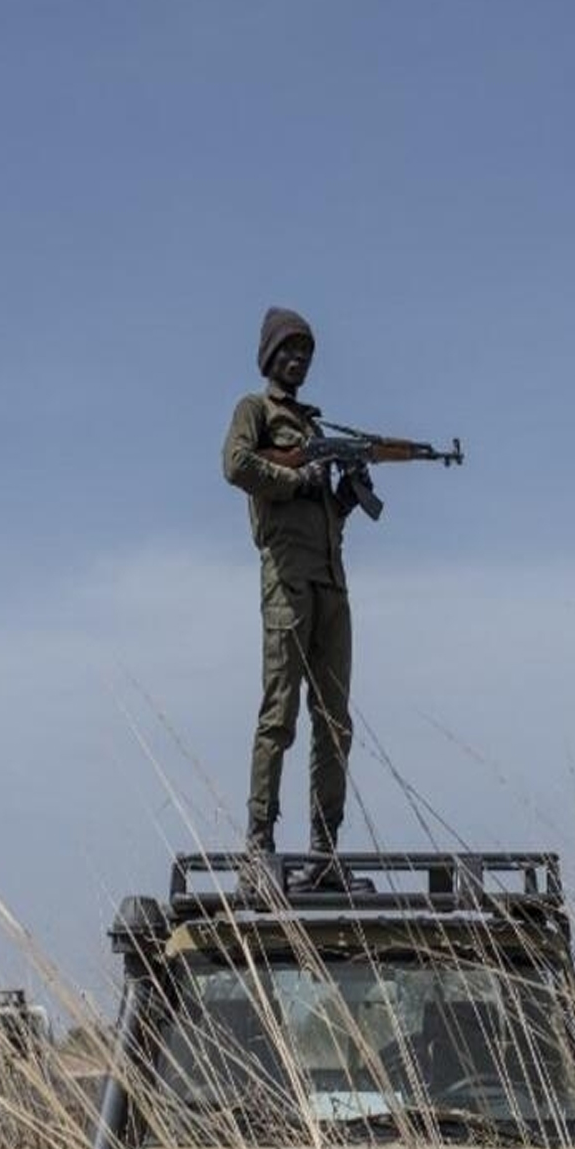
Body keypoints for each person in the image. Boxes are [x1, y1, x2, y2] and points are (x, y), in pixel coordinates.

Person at [221, 307, 373, 887]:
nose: (299, 360)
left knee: (335, 722)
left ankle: (324, 853)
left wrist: (345, 500)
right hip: (286, 580)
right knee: (278, 713)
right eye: (289, 350)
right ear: (269, 356)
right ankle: (258, 847)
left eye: (306, 352)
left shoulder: (313, 428)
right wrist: (296, 478)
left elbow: (322, 513)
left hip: (331, 584)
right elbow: (236, 464)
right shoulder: (254, 412)